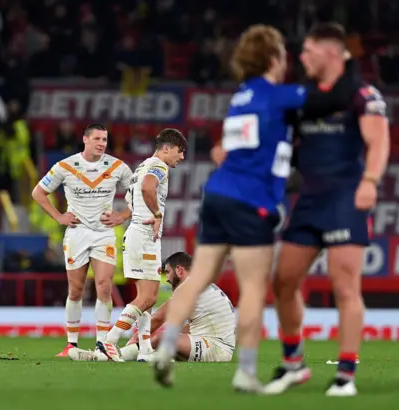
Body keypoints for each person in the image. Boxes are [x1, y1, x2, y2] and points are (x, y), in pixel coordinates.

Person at [151, 24, 359, 392]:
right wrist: (346, 61)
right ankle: (246, 371)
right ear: (273, 58)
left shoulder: (241, 97)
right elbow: (332, 98)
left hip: (216, 194)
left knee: (198, 278)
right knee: (252, 289)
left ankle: (166, 348)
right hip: (251, 201)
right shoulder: (278, 95)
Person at [264, 23, 389, 397]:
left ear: (330, 53)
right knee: (283, 281)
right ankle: (293, 364)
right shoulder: (303, 98)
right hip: (309, 201)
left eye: (308, 52)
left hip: (345, 200)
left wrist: (370, 181)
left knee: (344, 286)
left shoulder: (362, 94)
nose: (301, 58)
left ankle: (345, 375)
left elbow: (378, 140)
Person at [32, 123, 133, 357]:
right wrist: (59, 216)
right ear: (85, 140)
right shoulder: (66, 166)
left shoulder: (118, 167)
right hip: (77, 233)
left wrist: (123, 215)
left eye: (105, 139)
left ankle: (103, 344)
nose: (101, 143)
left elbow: (138, 193)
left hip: (103, 234)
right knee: (76, 290)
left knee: (104, 287)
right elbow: (38, 192)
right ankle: (71, 344)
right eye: (97, 139)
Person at [96, 129, 187, 362]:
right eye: (180, 151)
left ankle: (145, 349)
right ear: (166, 148)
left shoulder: (141, 166)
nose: (182, 157)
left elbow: (130, 199)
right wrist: (157, 213)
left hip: (135, 234)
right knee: (147, 298)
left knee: (147, 298)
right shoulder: (159, 166)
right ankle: (109, 341)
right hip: (145, 235)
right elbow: (148, 187)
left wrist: (127, 216)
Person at [69, 252, 236, 363]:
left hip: (216, 348)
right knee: (160, 341)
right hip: (214, 343)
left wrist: (133, 341)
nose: (167, 278)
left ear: (179, 270)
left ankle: (105, 356)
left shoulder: (189, 286)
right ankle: (102, 356)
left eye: (168, 272)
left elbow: (158, 318)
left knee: (160, 339)